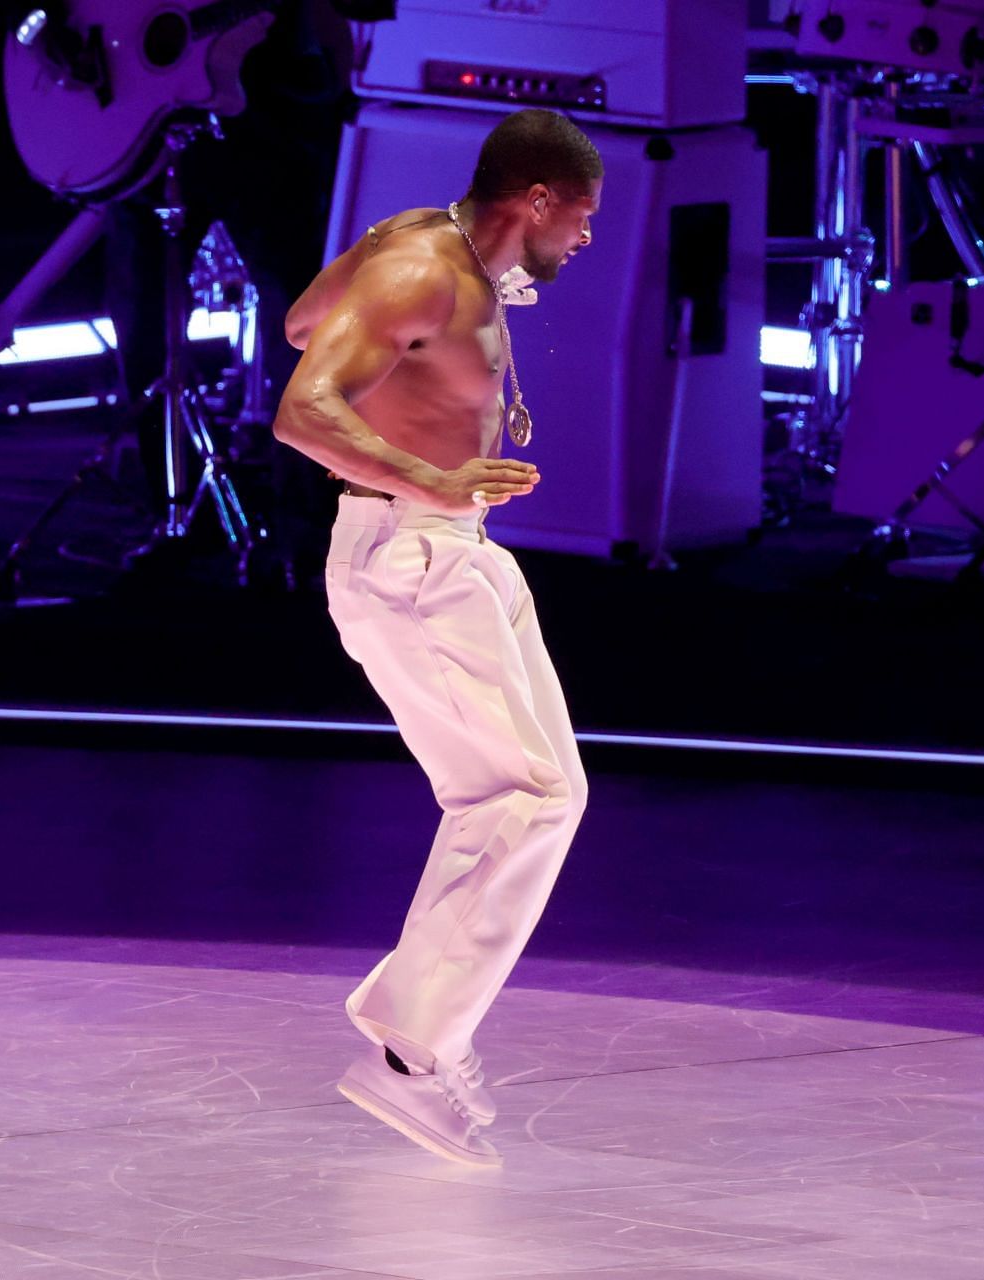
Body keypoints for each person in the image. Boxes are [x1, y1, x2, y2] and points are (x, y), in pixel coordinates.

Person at [272, 108, 601, 1163]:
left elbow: (298, 318)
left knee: (550, 789)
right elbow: (300, 403)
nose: (587, 240)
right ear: (537, 200)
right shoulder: (421, 263)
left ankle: (419, 1033)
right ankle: (413, 1052)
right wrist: (430, 469)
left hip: (456, 546)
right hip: (409, 549)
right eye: (583, 217)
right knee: (524, 794)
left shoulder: (423, 250)